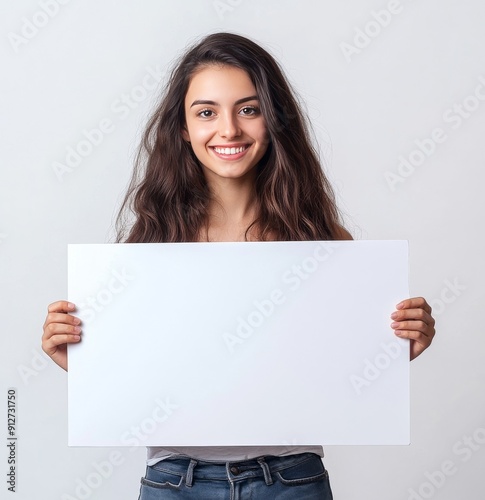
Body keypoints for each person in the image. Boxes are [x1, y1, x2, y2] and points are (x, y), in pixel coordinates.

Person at [42, 32, 436, 499]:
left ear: (273, 120)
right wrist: (82, 359)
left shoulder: (320, 242)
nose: (228, 130)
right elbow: (144, 375)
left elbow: (341, 368)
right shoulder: (149, 247)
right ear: (183, 128)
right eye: (206, 112)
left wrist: (394, 349)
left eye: (248, 109)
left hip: (291, 479)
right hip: (176, 481)